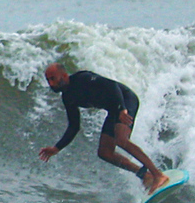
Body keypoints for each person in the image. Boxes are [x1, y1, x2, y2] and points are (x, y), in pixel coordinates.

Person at [38, 63, 169, 193]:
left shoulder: (82, 79)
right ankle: (145, 176)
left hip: (125, 100)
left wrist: (122, 109)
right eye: (48, 80)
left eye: (53, 78)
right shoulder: (68, 98)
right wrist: (57, 148)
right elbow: (74, 126)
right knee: (105, 153)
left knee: (121, 140)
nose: (50, 83)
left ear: (64, 75)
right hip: (114, 110)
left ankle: (158, 175)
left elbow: (112, 85)